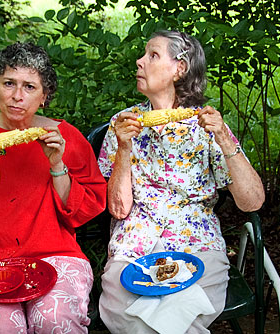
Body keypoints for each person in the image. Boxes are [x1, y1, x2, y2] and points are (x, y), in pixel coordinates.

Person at [0, 42, 107, 333]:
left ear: (45, 95)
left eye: (29, 87)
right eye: (8, 83)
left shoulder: (67, 139)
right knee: (1, 326)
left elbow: (83, 212)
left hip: (54, 253)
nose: (17, 96)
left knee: (55, 321)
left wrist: (57, 165)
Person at [97, 30, 265, 333]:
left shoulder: (208, 125)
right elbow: (119, 209)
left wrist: (226, 142)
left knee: (167, 323)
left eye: (153, 55)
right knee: (129, 315)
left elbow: (252, 201)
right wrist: (124, 148)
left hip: (198, 246)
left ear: (180, 68)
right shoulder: (123, 124)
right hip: (135, 245)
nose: (139, 61)